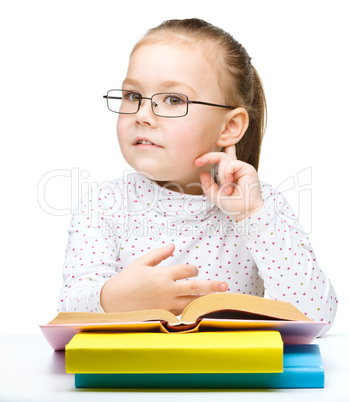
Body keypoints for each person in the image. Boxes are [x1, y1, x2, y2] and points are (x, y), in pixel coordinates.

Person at [59, 18, 337, 335]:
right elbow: (67, 312)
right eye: (133, 96)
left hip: (235, 380)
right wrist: (117, 298)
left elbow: (317, 317)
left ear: (229, 127)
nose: (142, 115)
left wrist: (251, 215)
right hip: (131, 381)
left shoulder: (261, 206)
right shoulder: (103, 205)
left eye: (174, 100)